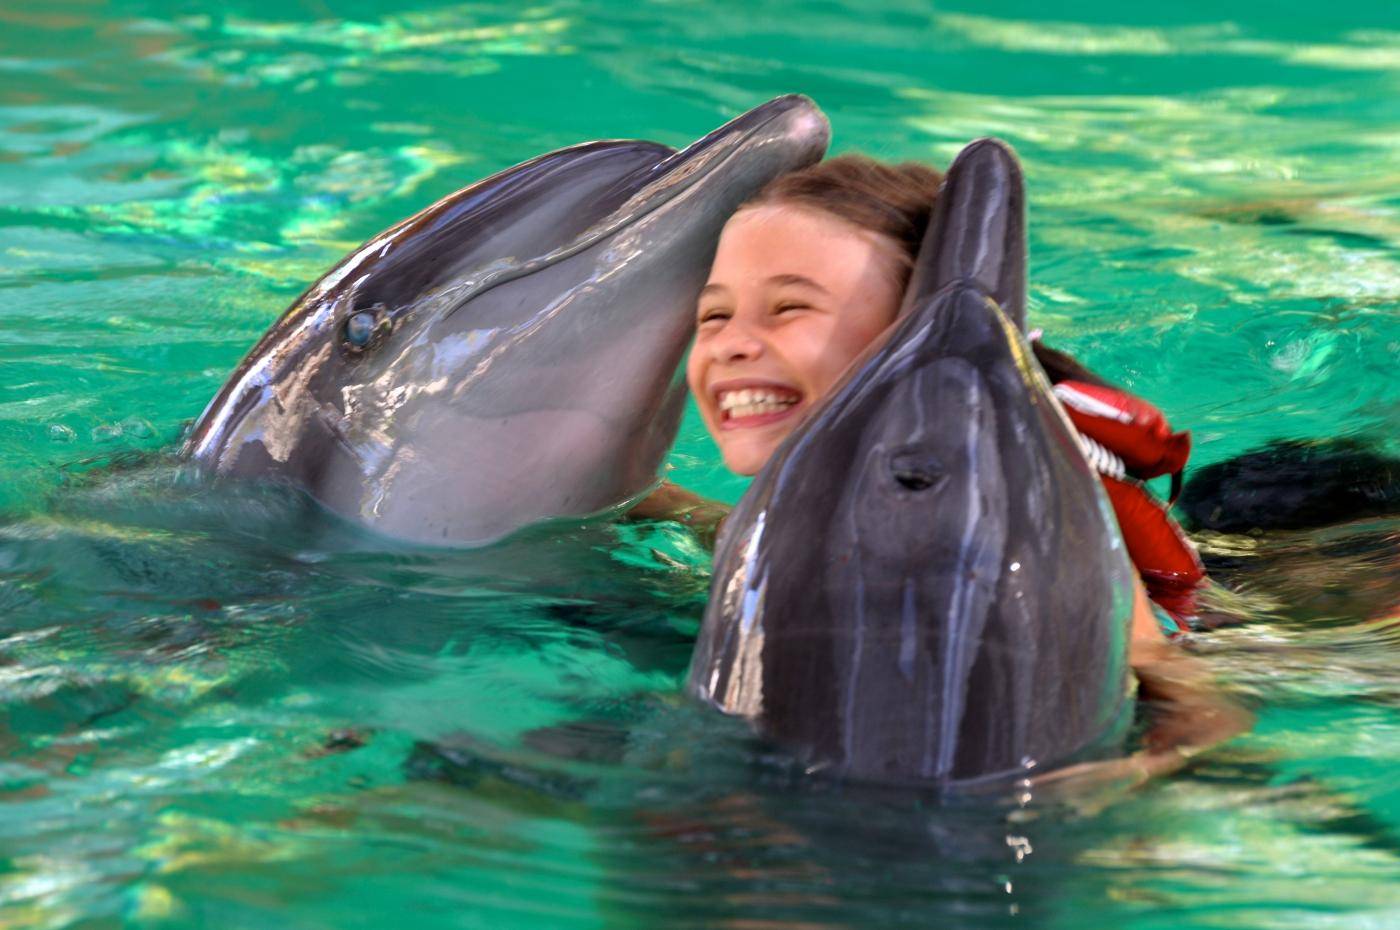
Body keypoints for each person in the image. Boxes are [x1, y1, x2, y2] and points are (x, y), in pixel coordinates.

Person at [632, 154, 1251, 793]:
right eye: (714, 315)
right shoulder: (809, 502)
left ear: (904, 335)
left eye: (790, 307)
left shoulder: (1015, 530)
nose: (733, 343)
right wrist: (651, 501)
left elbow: (1200, 704)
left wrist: (1115, 783)